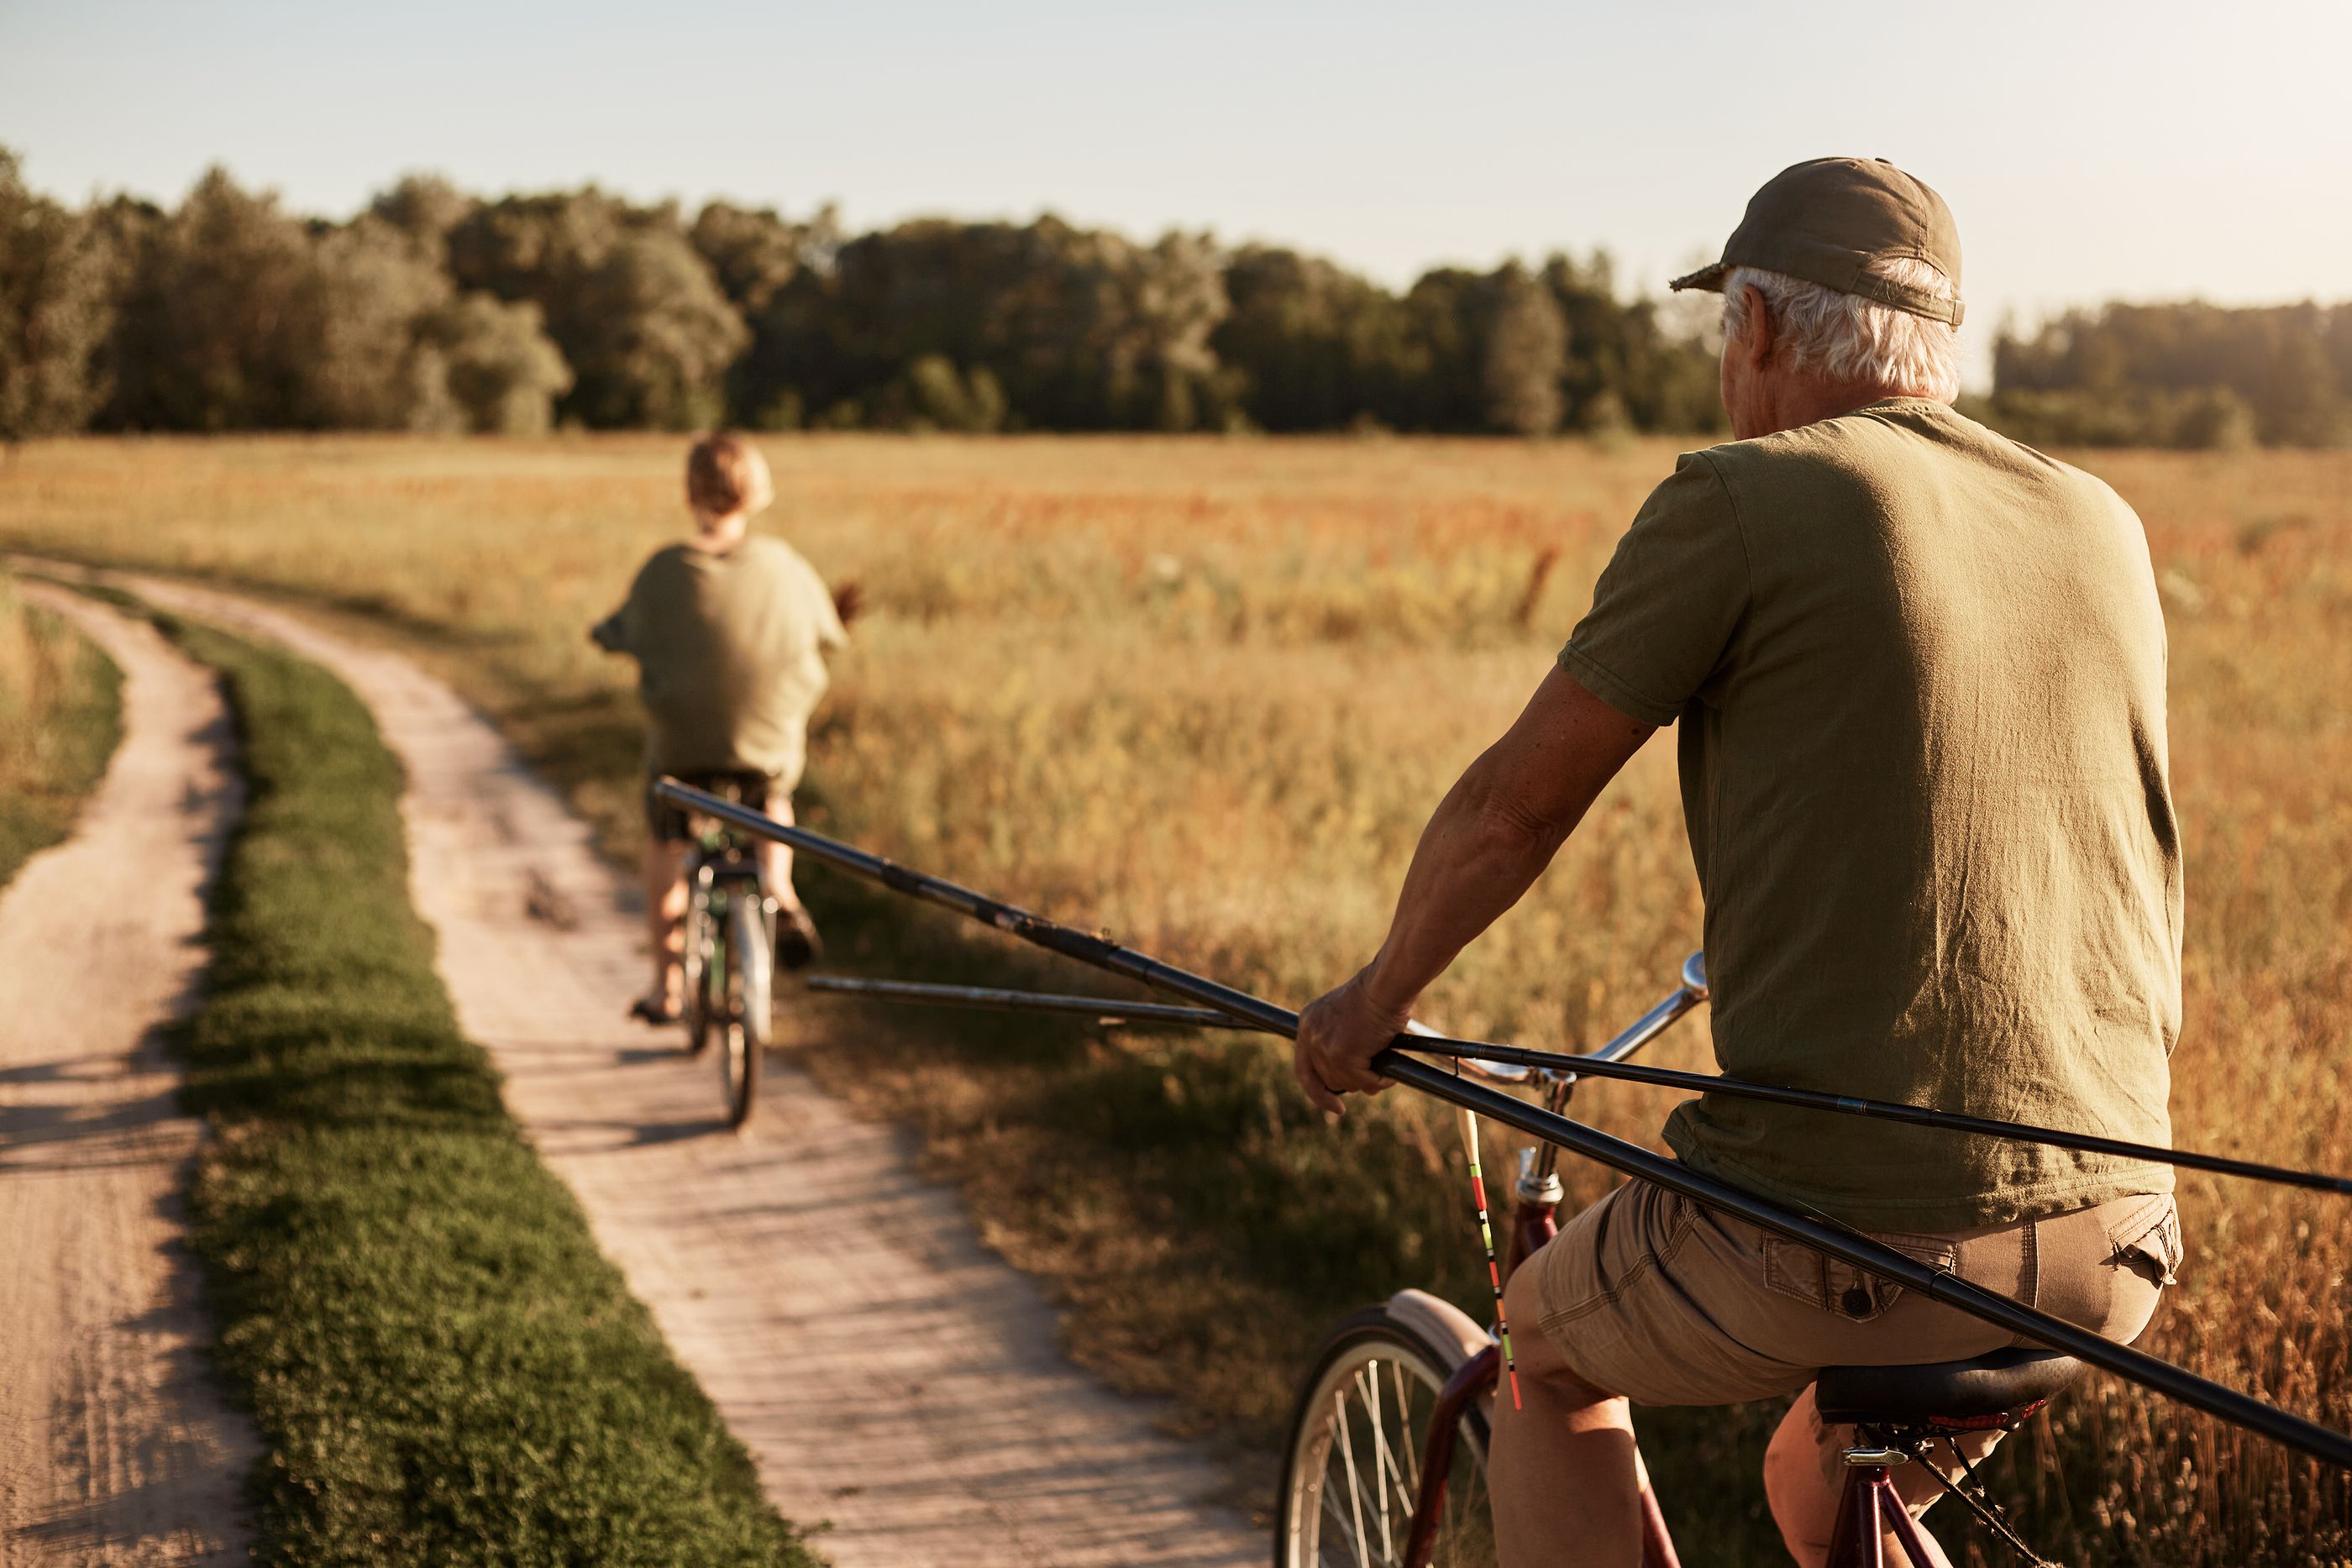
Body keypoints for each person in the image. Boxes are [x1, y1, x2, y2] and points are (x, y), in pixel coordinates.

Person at [1291, 158, 2184, 1567]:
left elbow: (1508, 815)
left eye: (1726, 331)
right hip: (2117, 1232)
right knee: (1816, 1483)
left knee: (1539, 1346)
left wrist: (1370, 999)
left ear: (1759, 330)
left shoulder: (1744, 496)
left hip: (1847, 1230)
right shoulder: (2099, 520)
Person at [591, 432, 855, 1025]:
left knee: (666, 832)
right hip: (763, 744)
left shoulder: (663, 570)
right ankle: (780, 888)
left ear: (690, 494)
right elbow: (830, 634)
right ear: (758, 493)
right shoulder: (786, 564)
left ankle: (666, 986)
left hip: (684, 748)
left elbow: (619, 633)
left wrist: (611, 636)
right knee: (773, 792)